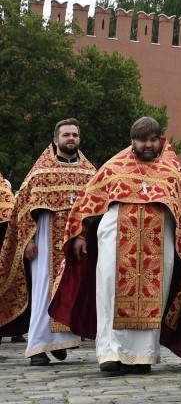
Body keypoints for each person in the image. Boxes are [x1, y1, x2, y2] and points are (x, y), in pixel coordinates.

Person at [51, 117, 181, 375]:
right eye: (143, 140)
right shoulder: (114, 166)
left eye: (153, 140)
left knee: (155, 294)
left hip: (158, 244)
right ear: (133, 141)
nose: (149, 145)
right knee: (109, 292)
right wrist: (81, 233)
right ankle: (110, 352)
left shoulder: (172, 170)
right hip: (115, 242)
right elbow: (89, 199)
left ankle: (143, 355)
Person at [0, 119, 96, 365]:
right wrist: (27, 242)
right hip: (44, 241)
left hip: (75, 243)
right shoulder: (40, 171)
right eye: (66, 135)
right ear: (56, 140)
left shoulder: (89, 173)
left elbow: (93, 210)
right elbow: (23, 209)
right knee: (44, 292)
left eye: (75, 134)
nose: (71, 138)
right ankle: (38, 347)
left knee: (70, 289)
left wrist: (82, 235)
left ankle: (60, 341)